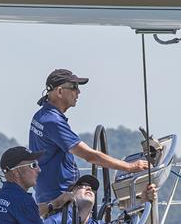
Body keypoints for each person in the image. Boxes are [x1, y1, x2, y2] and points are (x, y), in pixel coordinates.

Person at [29, 68, 149, 205]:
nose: (78, 92)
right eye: (74, 87)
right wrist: (130, 167)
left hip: (48, 195)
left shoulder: (40, 116)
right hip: (59, 198)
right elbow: (89, 156)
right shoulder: (53, 121)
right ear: (60, 92)